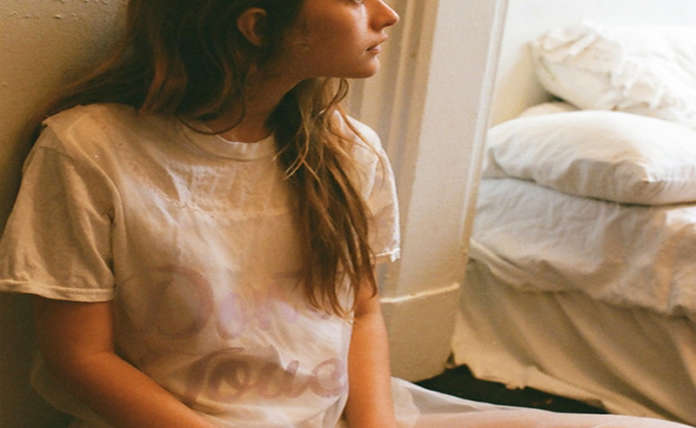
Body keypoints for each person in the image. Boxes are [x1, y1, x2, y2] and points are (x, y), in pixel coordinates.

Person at [0, 1, 691, 427]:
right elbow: (79, 358)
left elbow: (360, 312)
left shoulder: (346, 149)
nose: (388, 14)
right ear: (256, 25)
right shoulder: (90, 150)